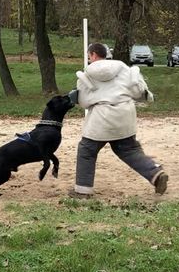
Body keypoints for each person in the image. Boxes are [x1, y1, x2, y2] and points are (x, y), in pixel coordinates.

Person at [67, 42, 168, 198]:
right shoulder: (124, 70)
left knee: (87, 151)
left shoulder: (87, 75)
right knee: (129, 150)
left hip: (101, 119)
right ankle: (155, 173)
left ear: (93, 54)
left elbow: (85, 102)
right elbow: (137, 91)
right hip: (125, 115)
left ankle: (83, 190)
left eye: (89, 56)